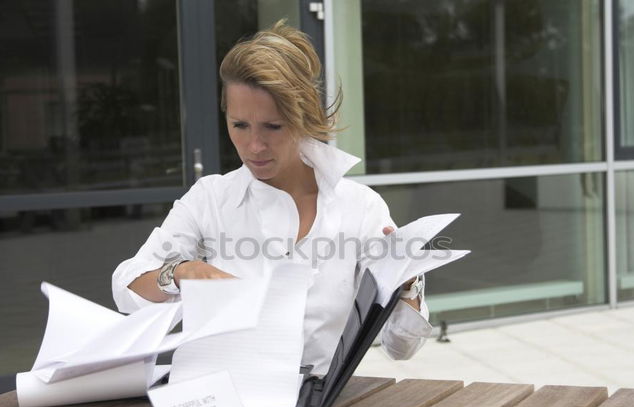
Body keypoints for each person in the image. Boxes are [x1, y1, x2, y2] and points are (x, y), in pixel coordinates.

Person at [112, 20, 432, 375]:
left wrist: (407, 282)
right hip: (220, 400)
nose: (254, 146)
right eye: (239, 125)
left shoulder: (361, 207)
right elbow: (127, 288)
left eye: (272, 127)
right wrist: (182, 272)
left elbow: (401, 348)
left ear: (304, 118)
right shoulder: (211, 198)